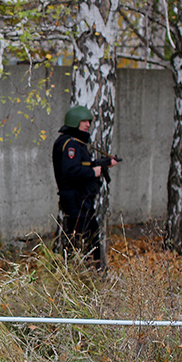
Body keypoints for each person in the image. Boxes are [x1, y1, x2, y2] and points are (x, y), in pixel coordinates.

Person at [52, 105, 118, 265]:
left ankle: (93, 271)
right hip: (76, 200)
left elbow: (82, 164)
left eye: (89, 121)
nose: (88, 125)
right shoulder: (70, 144)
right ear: (75, 122)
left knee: (91, 237)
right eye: (84, 121)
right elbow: (71, 171)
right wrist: (93, 172)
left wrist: (102, 163)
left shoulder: (75, 142)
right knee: (81, 239)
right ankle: (82, 271)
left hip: (81, 200)